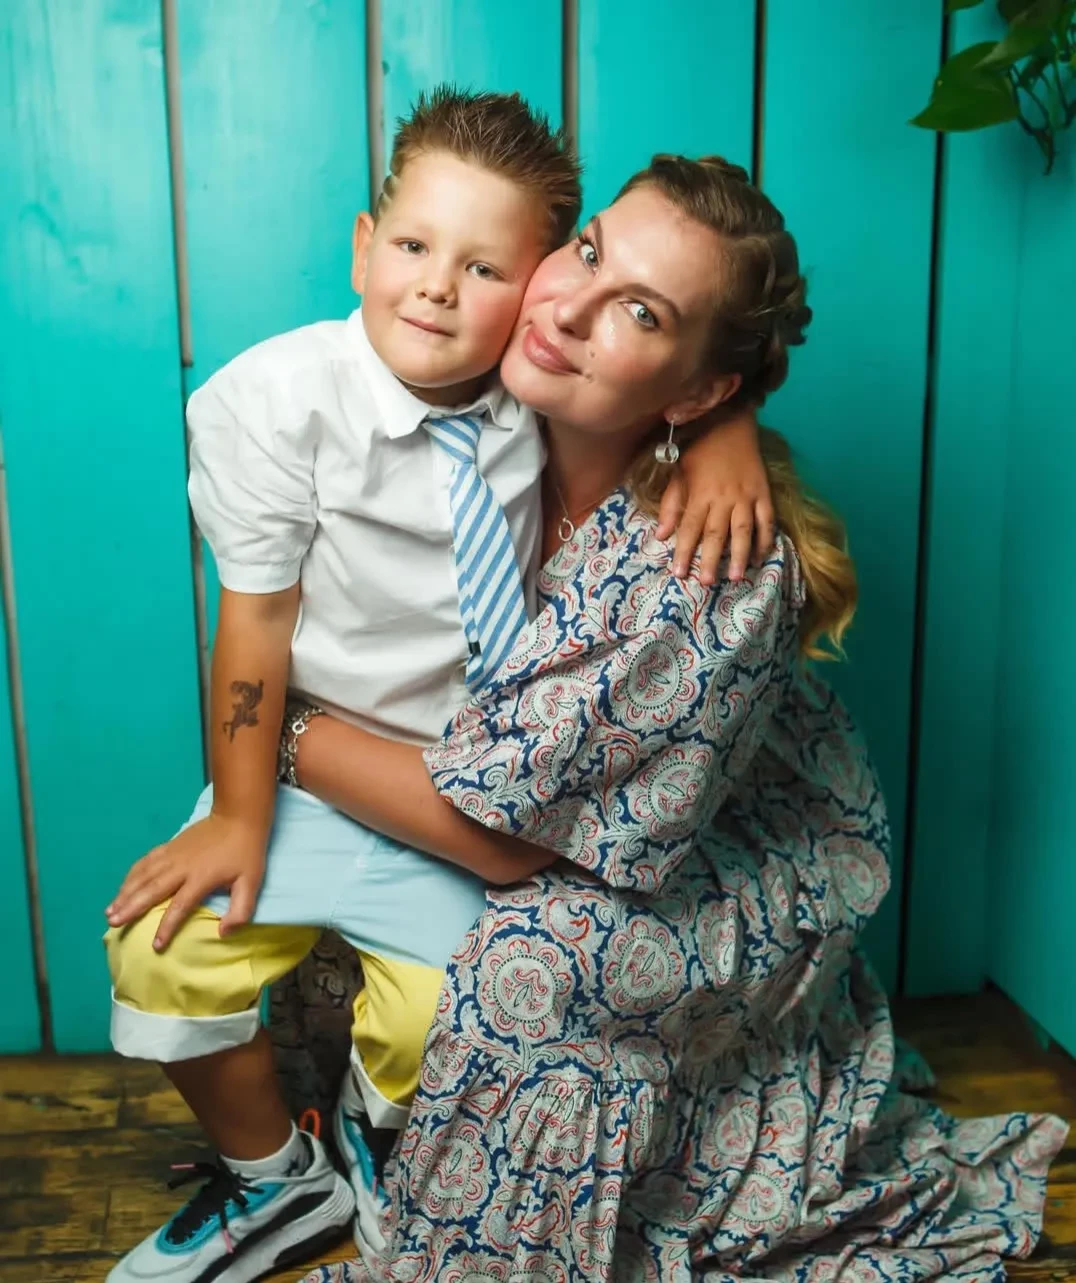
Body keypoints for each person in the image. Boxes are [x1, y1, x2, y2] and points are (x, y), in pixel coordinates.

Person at [282, 154, 1068, 1282]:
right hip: (516, 794)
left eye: (640, 312)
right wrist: (721, 416)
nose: (568, 309)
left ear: (697, 389)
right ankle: (340, 1143)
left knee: (525, 963)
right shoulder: (486, 377)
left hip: (709, 855)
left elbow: (504, 844)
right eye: (587, 252)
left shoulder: (709, 565)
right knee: (290, 876)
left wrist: (283, 729)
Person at [101, 91, 773, 1283]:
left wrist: (732, 427)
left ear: (520, 288)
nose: (438, 290)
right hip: (318, 786)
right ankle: (273, 1176)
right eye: (412, 247)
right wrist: (243, 811)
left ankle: (378, 1144)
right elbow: (251, 622)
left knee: (440, 1018)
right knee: (163, 951)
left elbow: (674, 372)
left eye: (483, 268)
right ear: (364, 245)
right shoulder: (298, 400)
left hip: (480, 802)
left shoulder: (547, 401)